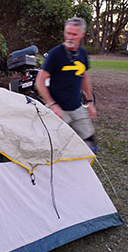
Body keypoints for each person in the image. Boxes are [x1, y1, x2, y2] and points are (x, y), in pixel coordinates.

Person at [34, 17, 98, 153]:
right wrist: (52, 105)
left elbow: (84, 78)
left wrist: (90, 103)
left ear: (82, 35)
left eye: (74, 34)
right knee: (55, 148)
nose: (69, 37)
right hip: (58, 110)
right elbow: (39, 82)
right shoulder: (55, 54)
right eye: (67, 33)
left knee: (90, 143)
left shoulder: (83, 54)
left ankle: (83, 170)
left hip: (77, 107)